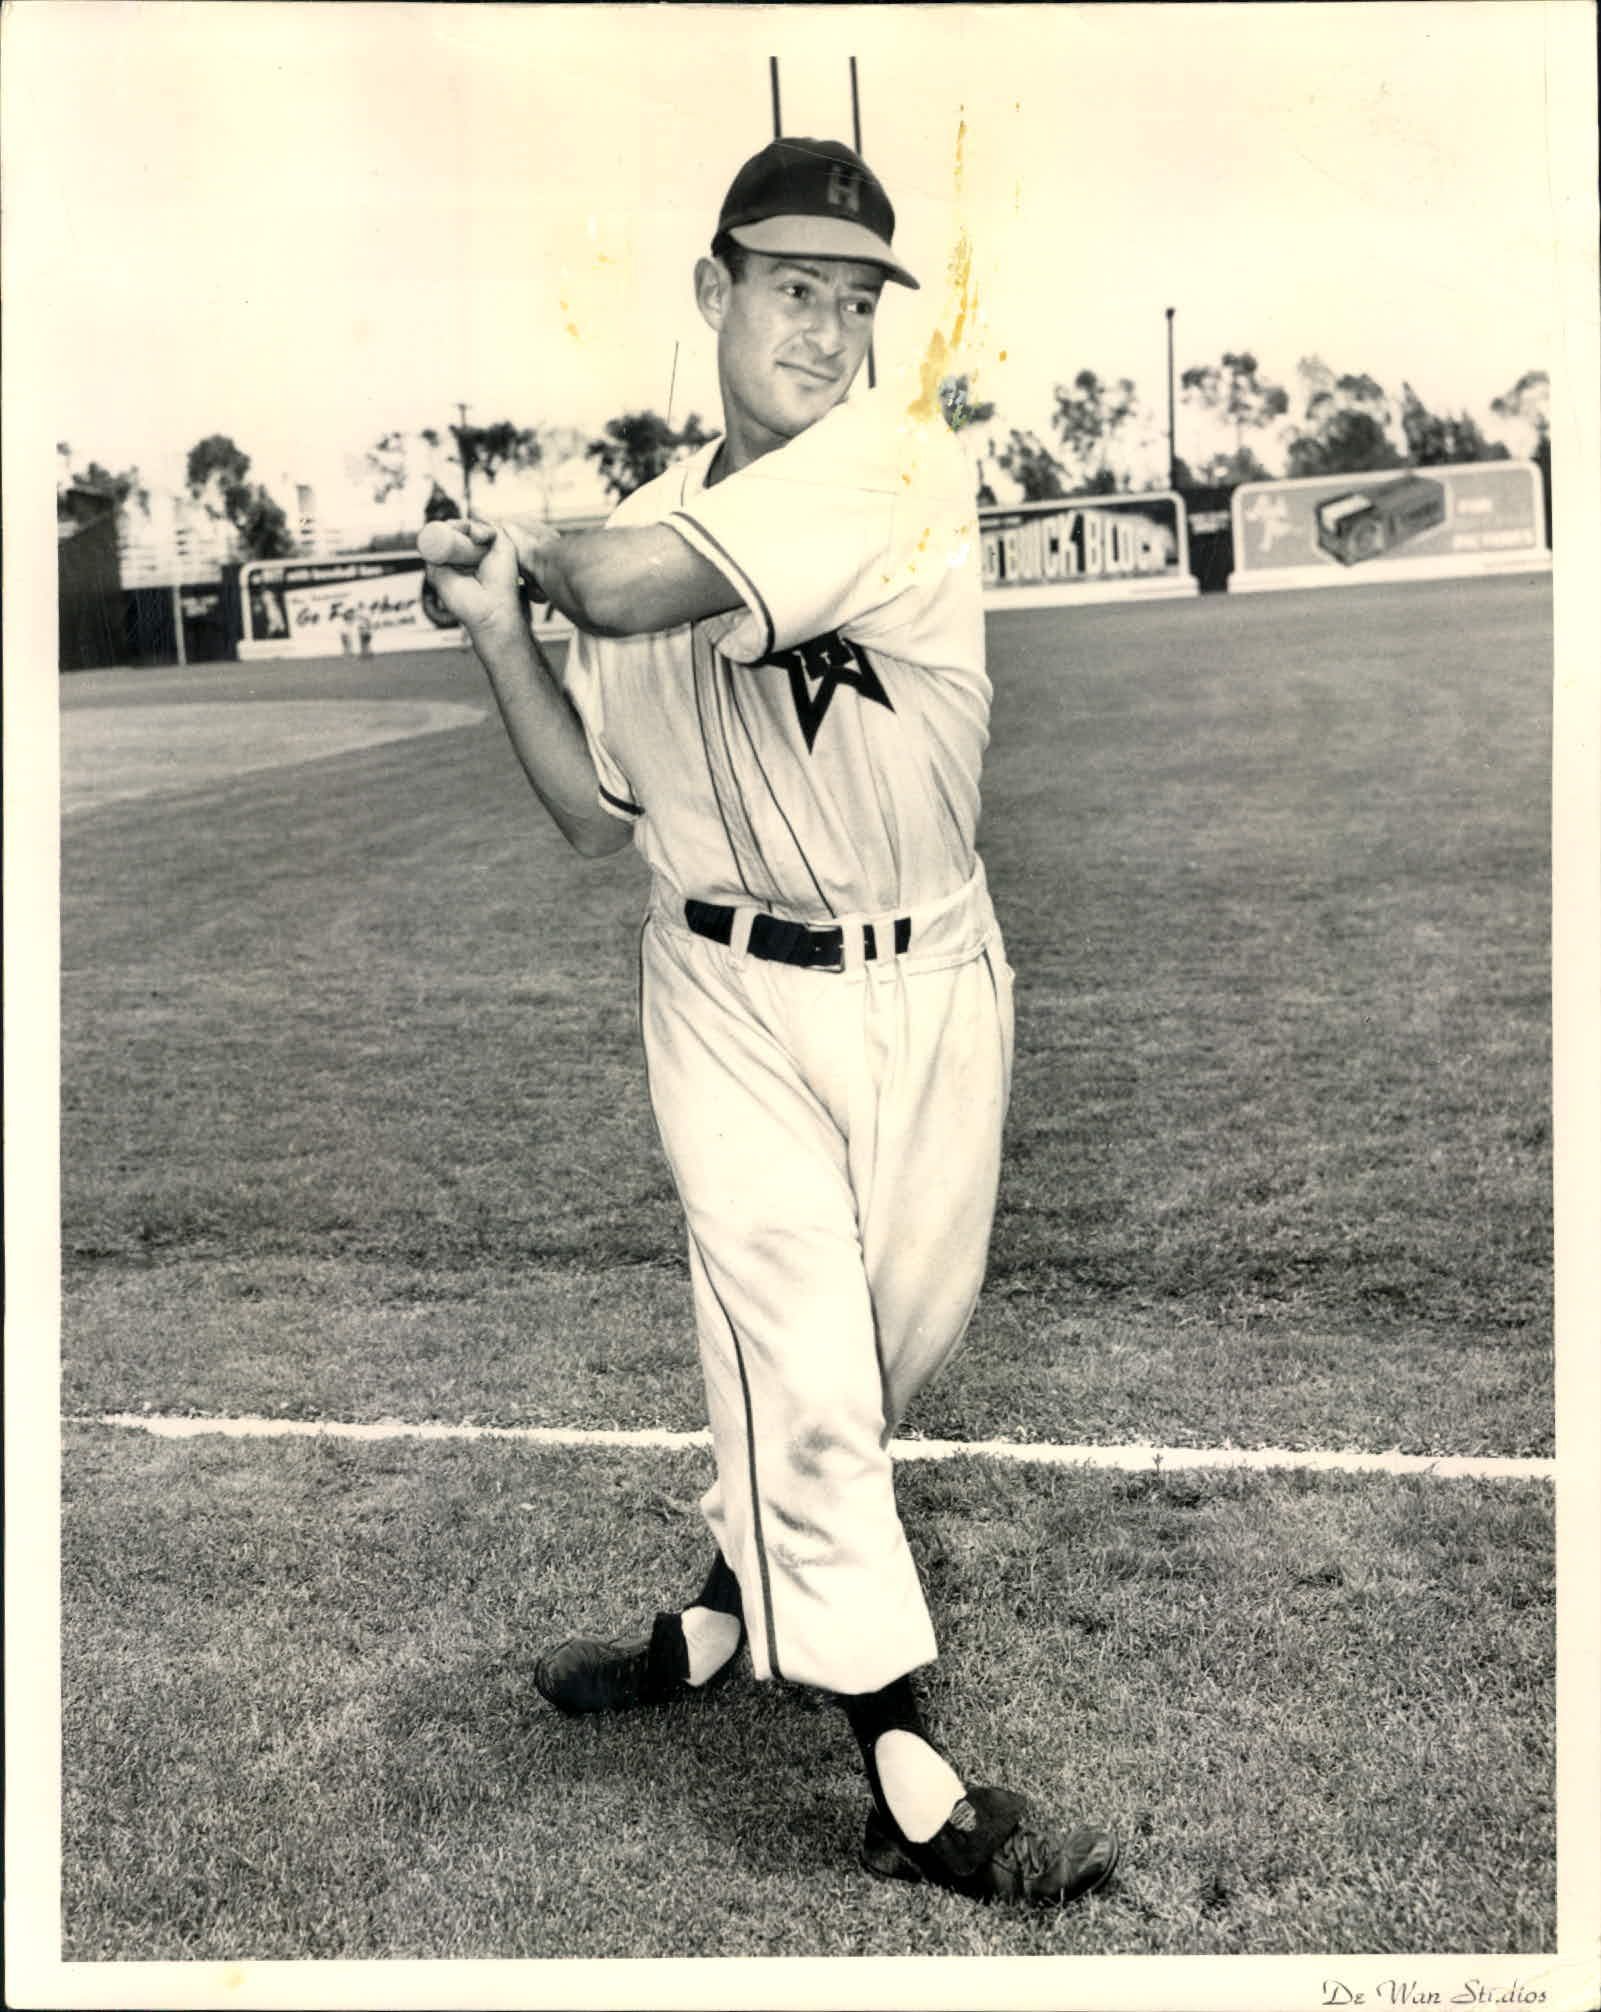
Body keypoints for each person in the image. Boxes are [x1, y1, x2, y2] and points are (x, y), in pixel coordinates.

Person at [420, 136, 1118, 1908]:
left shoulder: (889, 467)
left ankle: (724, 1621)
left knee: (874, 1365)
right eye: (790, 286)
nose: (824, 328)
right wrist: (499, 627)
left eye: (853, 297)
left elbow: (646, 583)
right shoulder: (644, 525)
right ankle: (905, 1771)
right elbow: (594, 815)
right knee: (802, 1368)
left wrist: (531, 548)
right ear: (713, 290)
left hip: (935, 983)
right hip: (723, 990)